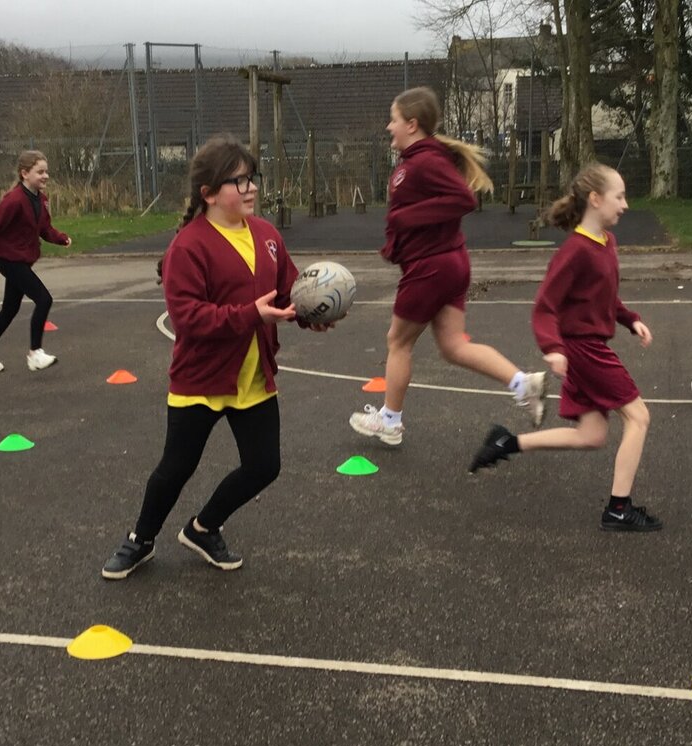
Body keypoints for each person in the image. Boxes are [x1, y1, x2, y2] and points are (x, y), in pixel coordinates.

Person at [101, 136, 330, 579]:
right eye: (237, 181)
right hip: (202, 379)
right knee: (176, 467)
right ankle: (140, 540)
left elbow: (287, 293)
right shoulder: (189, 247)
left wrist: (308, 315)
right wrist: (250, 314)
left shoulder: (266, 236)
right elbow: (188, 318)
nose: (249, 188)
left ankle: (204, 527)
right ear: (208, 193)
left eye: (252, 178)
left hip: (254, 377)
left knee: (265, 466)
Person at [468, 163, 661, 533]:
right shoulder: (575, 251)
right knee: (639, 417)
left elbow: (603, 298)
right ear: (595, 199)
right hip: (584, 350)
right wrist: (553, 347)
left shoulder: (607, 242)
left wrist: (629, 319)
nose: (625, 204)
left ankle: (507, 443)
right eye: (619, 196)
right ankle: (619, 509)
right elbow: (545, 306)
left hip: (587, 347)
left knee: (592, 435)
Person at [349, 86, 546, 448]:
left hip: (433, 267)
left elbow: (461, 199)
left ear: (411, 124)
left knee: (397, 341)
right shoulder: (420, 160)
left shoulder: (424, 161)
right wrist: (397, 243)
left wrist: (405, 219)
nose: (388, 127)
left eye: (393, 120)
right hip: (449, 262)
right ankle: (523, 383)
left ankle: (390, 421)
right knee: (453, 345)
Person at [0, 150, 71, 372]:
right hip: (10, 260)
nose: (45, 176)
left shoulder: (40, 199)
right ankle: (35, 353)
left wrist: (60, 238)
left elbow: (44, 228)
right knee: (44, 299)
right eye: (40, 172)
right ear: (24, 174)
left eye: (46, 171)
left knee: (10, 308)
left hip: (23, 260)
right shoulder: (14, 201)